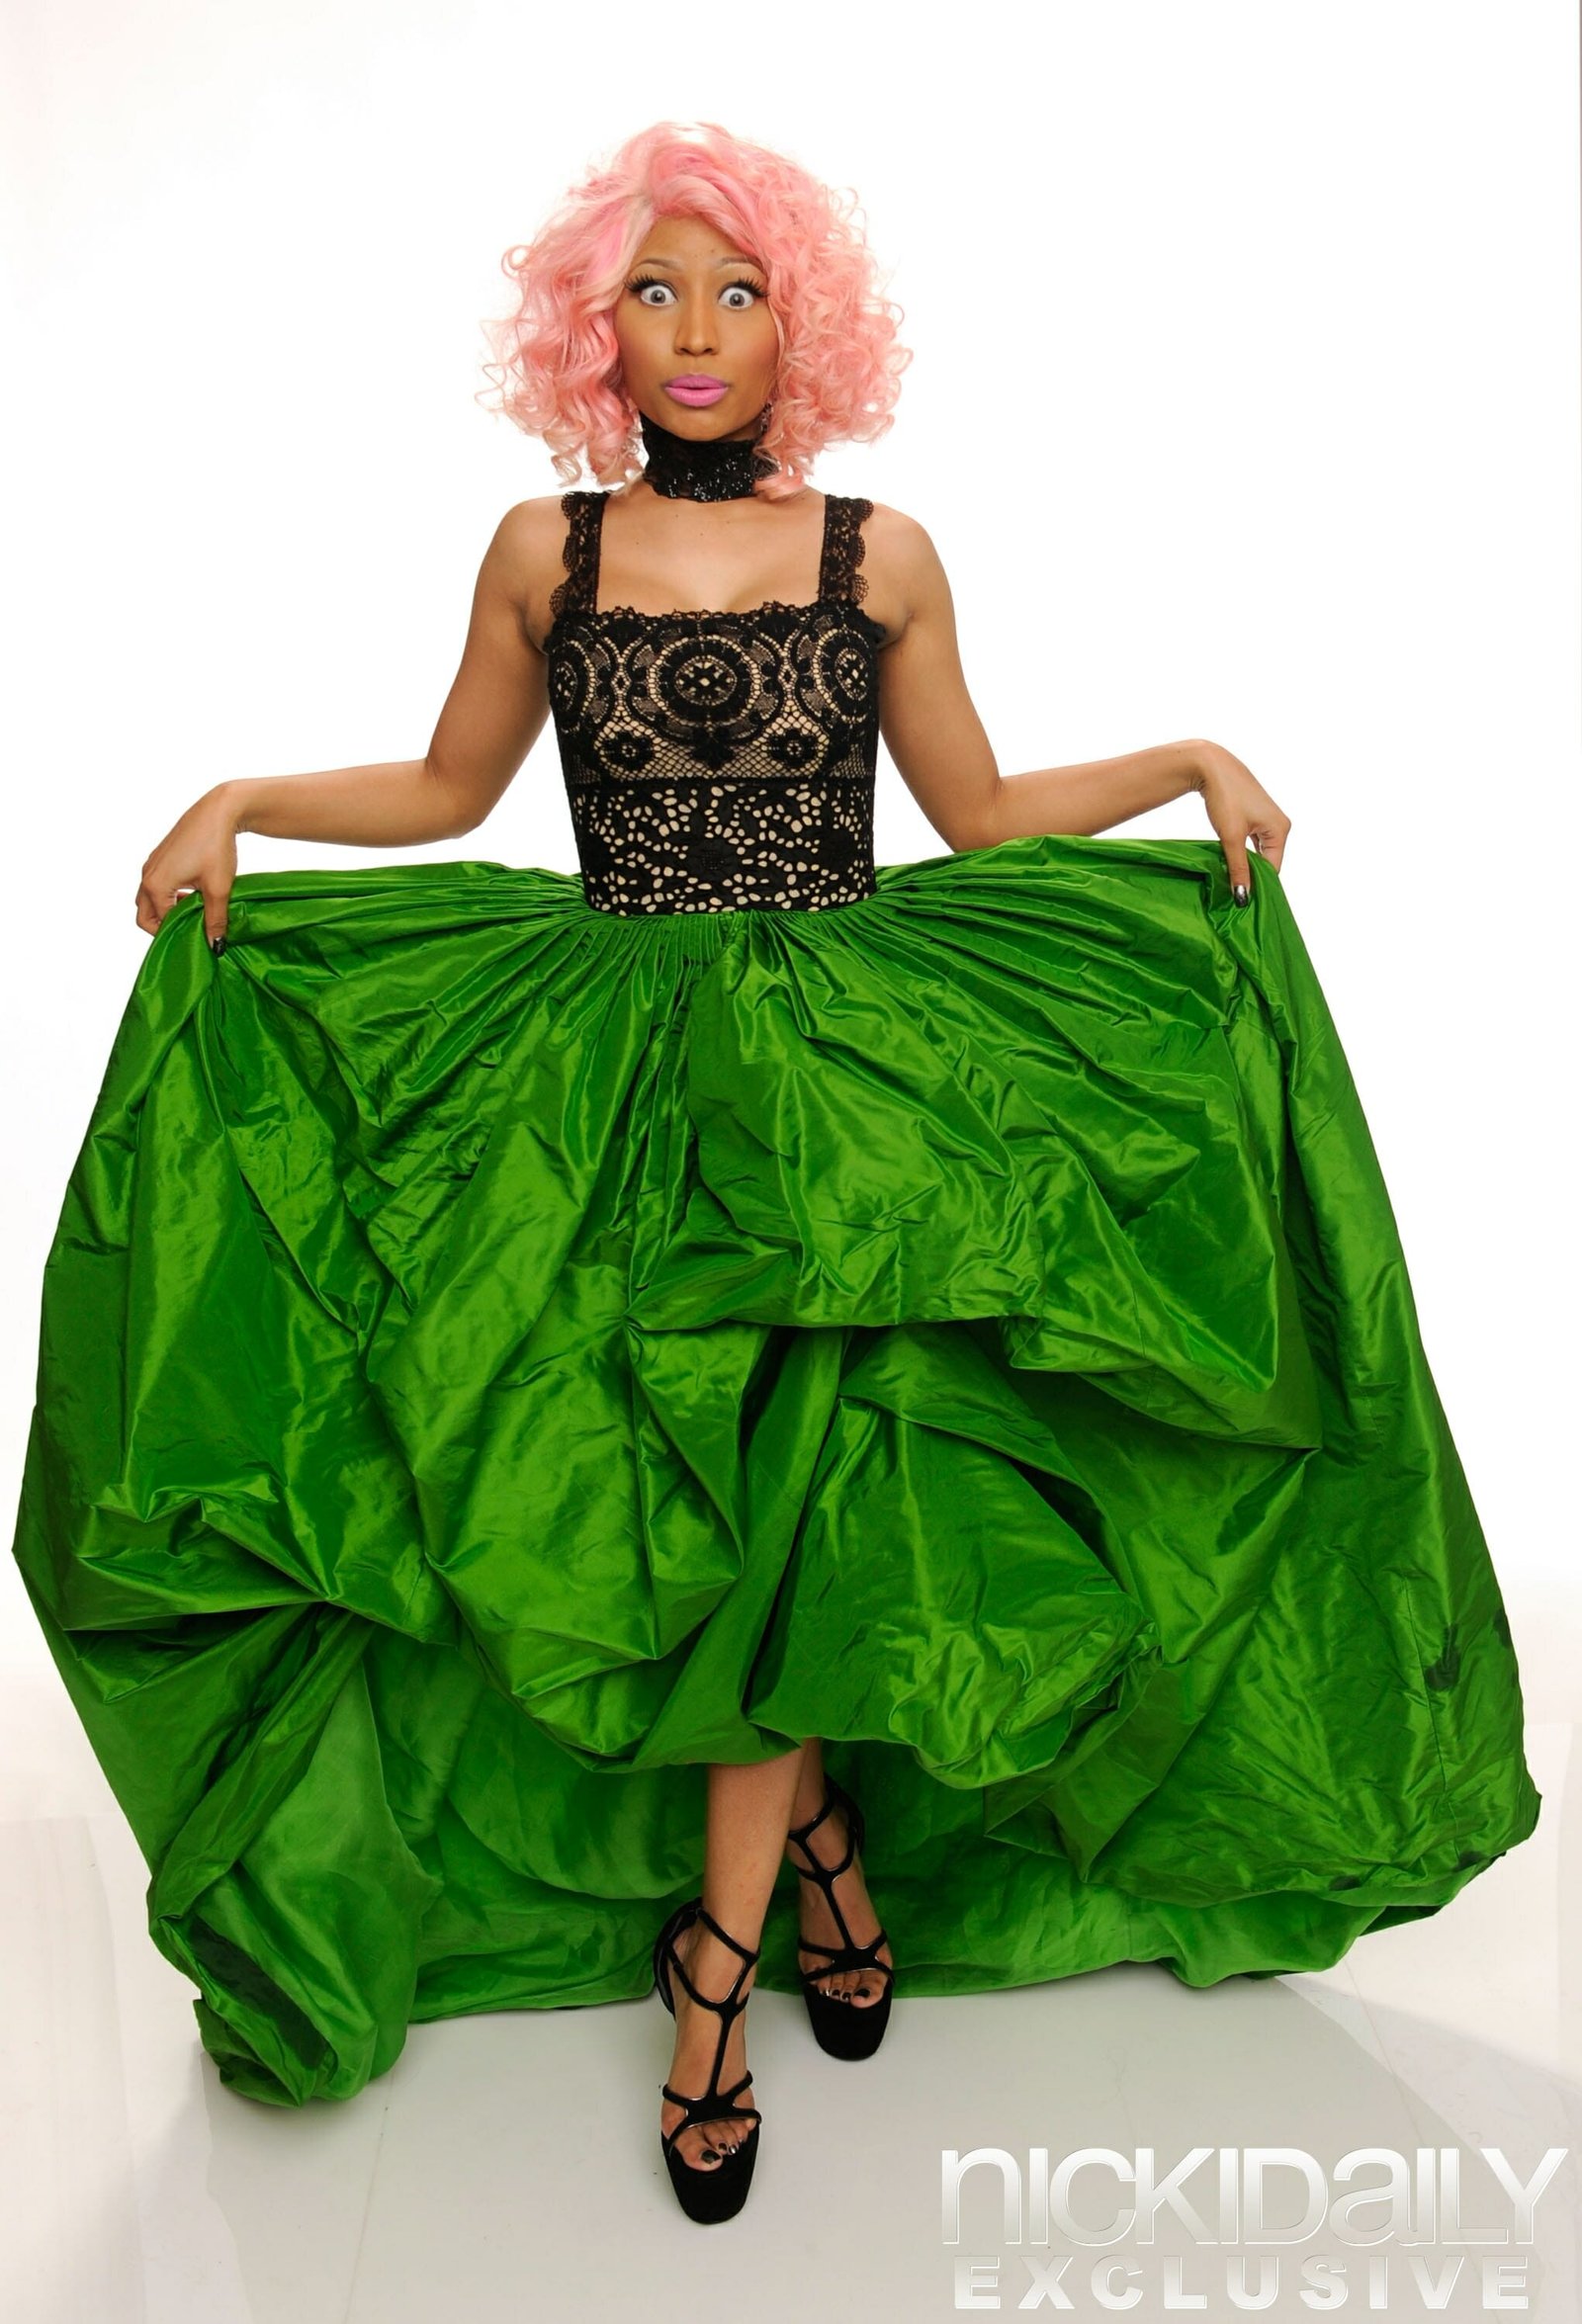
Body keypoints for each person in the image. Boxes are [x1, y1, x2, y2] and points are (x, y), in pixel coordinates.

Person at [10, 118, 1539, 2227]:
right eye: (655, 292)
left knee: (816, 1493)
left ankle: (710, 1990)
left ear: (799, 326)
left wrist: (1186, 759)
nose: (697, 329)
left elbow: (976, 811)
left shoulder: (879, 552)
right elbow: (452, 786)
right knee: (698, 1499)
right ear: (596, 332)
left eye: (736, 293)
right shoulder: (542, 551)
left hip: (845, 1087)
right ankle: (820, 1858)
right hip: (616, 1078)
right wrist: (240, 800)